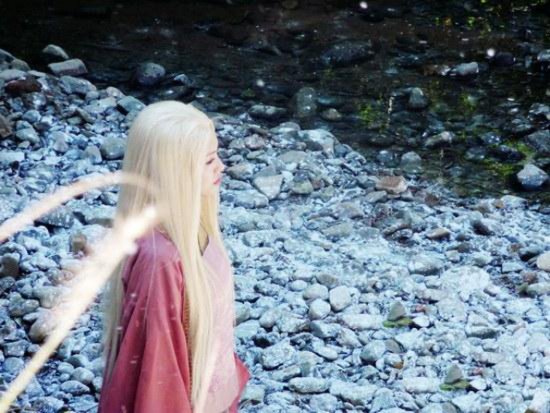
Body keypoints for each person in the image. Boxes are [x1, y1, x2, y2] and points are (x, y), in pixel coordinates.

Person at [97, 100, 250, 413]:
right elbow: (159, 373)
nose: (222, 166)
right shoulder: (161, 260)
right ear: (176, 172)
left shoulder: (194, 228)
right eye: (209, 161)